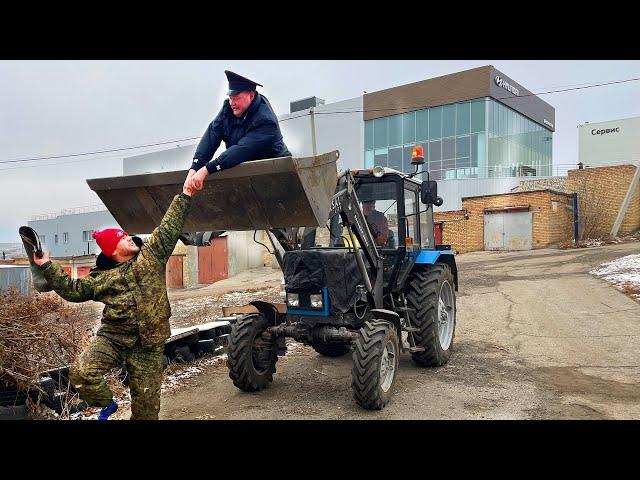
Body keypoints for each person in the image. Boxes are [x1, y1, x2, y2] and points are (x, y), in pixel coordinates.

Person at [33, 177, 196, 420]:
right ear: (112, 250)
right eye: (122, 237)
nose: (129, 237)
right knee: (81, 374)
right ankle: (107, 404)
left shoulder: (152, 255)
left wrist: (185, 193)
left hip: (149, 345)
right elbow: (72, 290)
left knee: (146, 411)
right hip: (114, 338)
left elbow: (170, 225)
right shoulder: (101, 277)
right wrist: (46, 265)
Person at [185, 70, 291, 192]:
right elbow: (212, 136)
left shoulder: (266, 121)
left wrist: (206, 170)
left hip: (278, 175)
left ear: (251, 96)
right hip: (247, 175)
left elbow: (241, 150)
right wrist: (194, 168)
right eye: (230, 98)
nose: (232, 103)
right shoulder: (228, 109)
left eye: (236, 98)